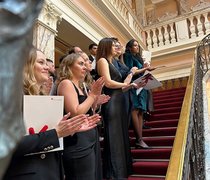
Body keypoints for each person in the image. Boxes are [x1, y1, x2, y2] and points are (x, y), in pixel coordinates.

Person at [3, 47, 100, 180]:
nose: (48, 67)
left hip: (49, 169)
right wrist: (56, 133)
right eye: (41, 62)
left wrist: (69, 129)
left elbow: (42, 133)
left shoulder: (39, 96)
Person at [56, 53, 105, 180]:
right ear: (69, 66)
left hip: (88, 137)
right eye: (80, 63)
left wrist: (95, 100)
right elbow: (76, 113)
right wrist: (93, 95)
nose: (85, 67)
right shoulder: (66, 83)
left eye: (85, 64)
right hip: (77, 141)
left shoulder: (81, 86)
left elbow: (90, 112)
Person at [96, 37, 138, 179]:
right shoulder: (102, 61)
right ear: (106, 46)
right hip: (112, 102)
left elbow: (123, 82)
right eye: (113, 45)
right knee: (113, 137)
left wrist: (131, 76)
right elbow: (108, 83)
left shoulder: (115, 62)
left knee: (121, 135)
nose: (116, 47)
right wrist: (127, 85)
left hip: (120, 101)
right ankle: (114, 174)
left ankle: (123, 170)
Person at [123, 39, 155, 149]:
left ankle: (140, 139)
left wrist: (146, 68)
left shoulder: (139, 57)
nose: (137, 47)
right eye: (135, 45)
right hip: (134, 85)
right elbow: (130, 71)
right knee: (135, 109)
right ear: (129, 47)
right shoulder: (127, 56)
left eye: (137, 45)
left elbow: (141, 70)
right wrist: (145, 68)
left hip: (142, 84)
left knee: (141, 111)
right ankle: (138, 139)